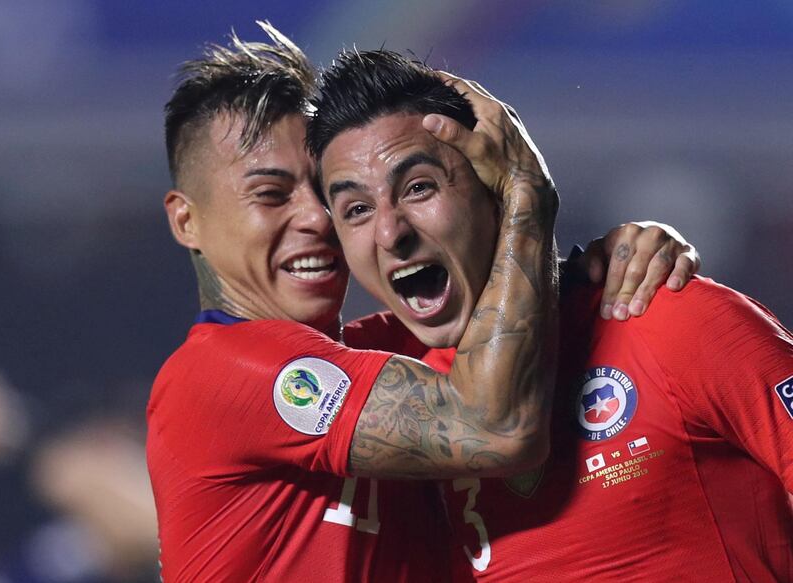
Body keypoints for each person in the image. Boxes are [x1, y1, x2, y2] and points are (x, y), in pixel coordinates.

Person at [148, 23, 700, 582]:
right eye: (270, 194)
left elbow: (515, 303)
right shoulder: (218, 376)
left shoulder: (388, 351)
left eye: (325, 192)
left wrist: (621, 256)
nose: (318, 218)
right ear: (185, 219)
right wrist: (527, 196)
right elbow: (495, 426)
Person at [308, 48, 793, 582]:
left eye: (419, 188)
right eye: (356, 209)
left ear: (497, 187)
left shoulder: (665, 317)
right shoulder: (398, 403)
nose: (389, 232)